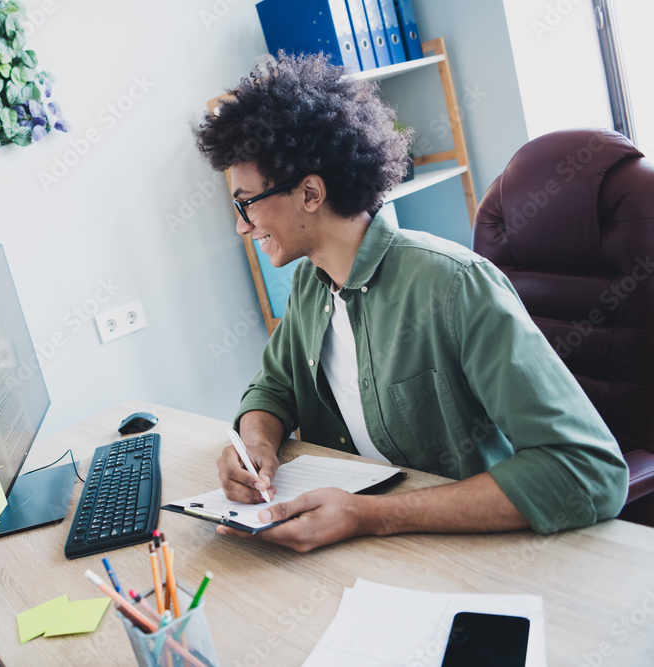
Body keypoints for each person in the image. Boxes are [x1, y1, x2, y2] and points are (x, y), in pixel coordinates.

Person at [194, 53, 628, 553]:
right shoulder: (313, 285)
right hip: (363, 551)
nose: (240, 225)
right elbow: (272, 389)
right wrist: (255, 448)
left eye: (246, 203)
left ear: (310, 193)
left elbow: (586, 470)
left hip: (470, 554)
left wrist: (369, 516)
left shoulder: (454, 285)